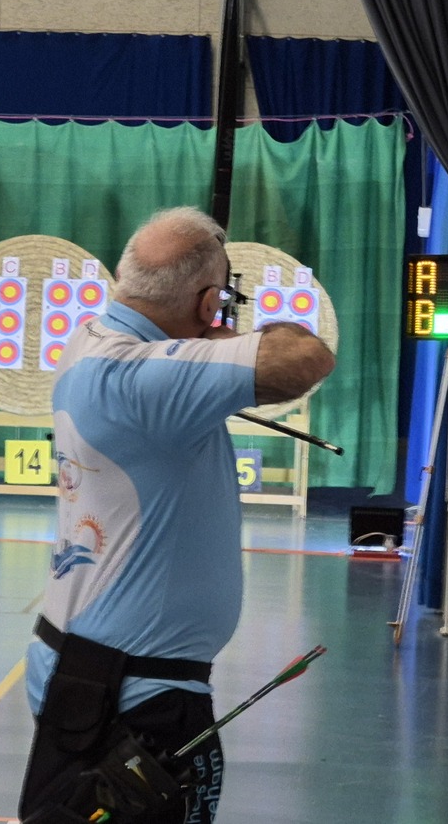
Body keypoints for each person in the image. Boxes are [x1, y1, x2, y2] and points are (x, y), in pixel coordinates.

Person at [18, 206, 336, 823]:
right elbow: (305, 357)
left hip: (90, 671)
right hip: (134, 696)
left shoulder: (93, 338)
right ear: (208, 301)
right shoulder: (149, 380)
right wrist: (223, 336)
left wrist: (201, 332)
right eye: (221, 300)